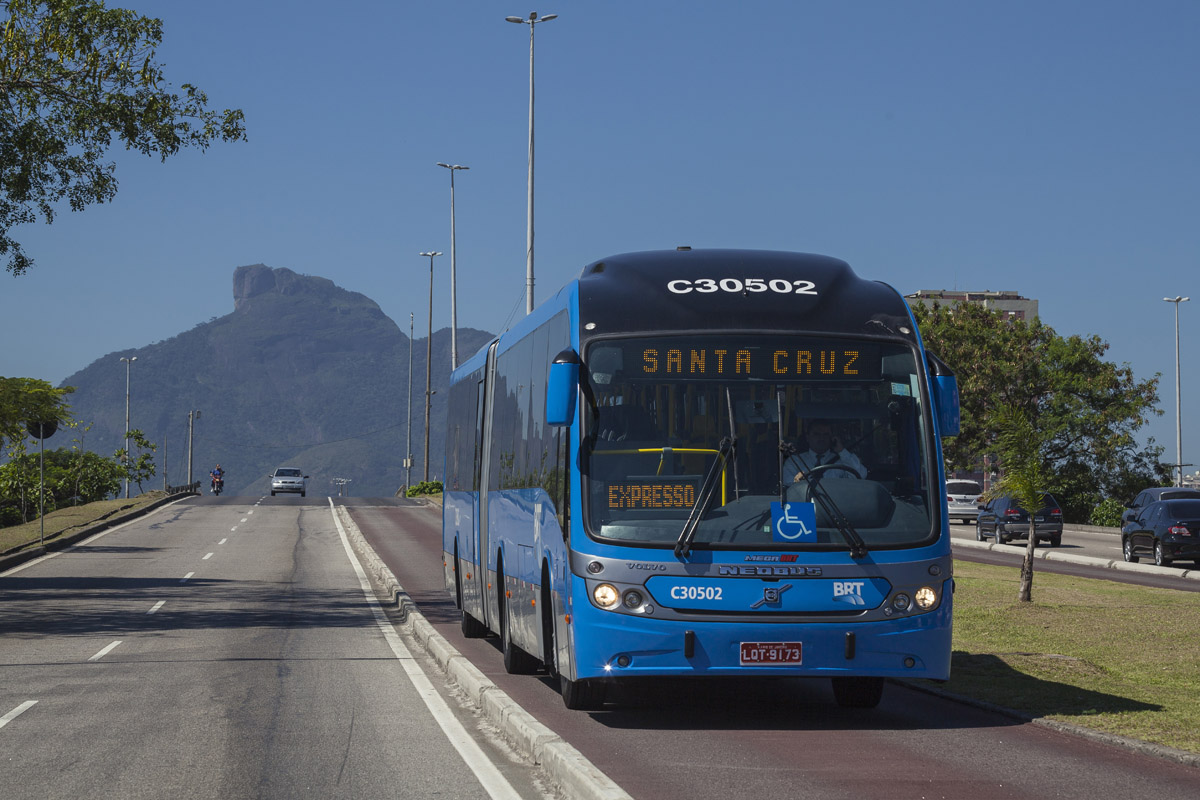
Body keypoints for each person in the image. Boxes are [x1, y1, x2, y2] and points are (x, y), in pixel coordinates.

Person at [785, 420, 866, 482]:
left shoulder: (842, 461)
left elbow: (861, 475)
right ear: (807, 437)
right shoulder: (795, 461)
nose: (821, 438)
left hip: (836, 503)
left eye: (826, 434)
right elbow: (786, 485)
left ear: (832, 437)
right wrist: (798, 482)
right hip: (805, 503)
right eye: (816, 434)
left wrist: (842, 451)